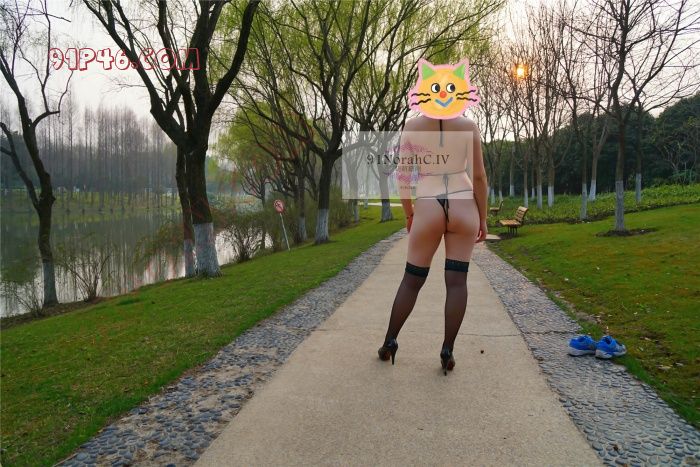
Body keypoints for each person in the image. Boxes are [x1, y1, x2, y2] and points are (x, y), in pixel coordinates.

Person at [377, 114, 488, 375]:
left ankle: (390, 342)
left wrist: (409, 214)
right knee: (457, 282)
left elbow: (403, 177)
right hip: (463, 202)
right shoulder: (468, 126)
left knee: (411, 280)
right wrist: (482, 218)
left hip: (428, 203)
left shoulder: (412, 126)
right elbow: (479, 178)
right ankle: (447, 349)